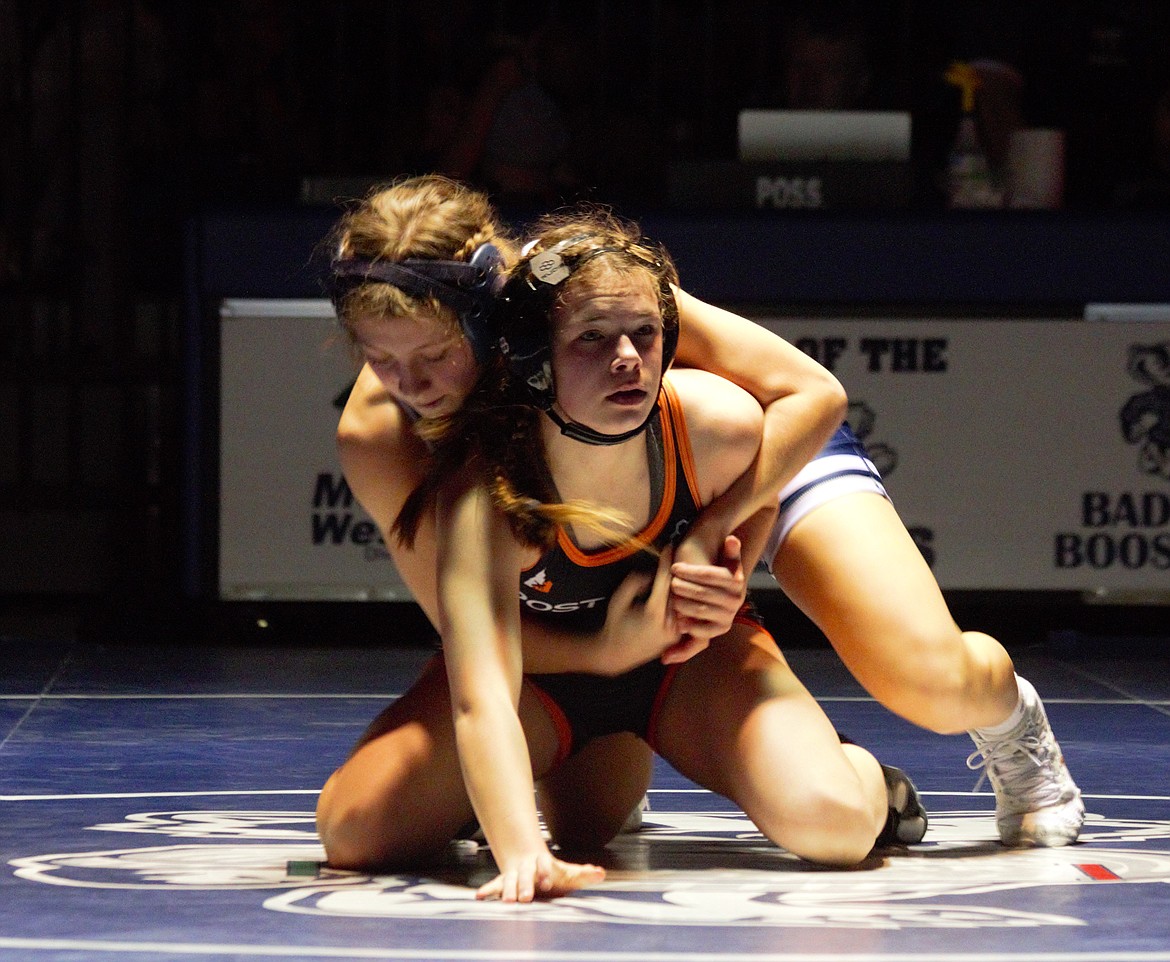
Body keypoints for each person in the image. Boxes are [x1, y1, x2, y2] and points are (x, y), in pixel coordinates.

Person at [332, 174, 1083, 850]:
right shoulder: (380, 431)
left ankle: (1004, 719)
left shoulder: (575, 287)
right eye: (383, 359)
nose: (413, 384)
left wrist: (713, 539)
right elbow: (466, 630)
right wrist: (613, 652)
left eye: (433, 356)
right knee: (579, 814)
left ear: (490, 316)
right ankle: (615, 749)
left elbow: (806, 394)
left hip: (749, 450)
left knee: (924, 676)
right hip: (615, 531)